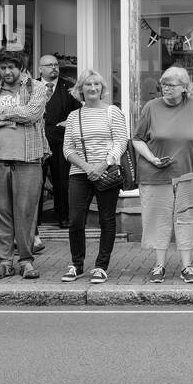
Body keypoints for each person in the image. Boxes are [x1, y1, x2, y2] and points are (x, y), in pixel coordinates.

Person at [133, 65, 193, 283]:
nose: (165, 88)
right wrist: (151, 158)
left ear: (184, 87)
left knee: (188, 218)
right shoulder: (151, 107)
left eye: (170, 85)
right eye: (163, 84)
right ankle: (159, 265)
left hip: (189, 174)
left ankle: (187, 266)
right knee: (158, 218)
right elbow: (137, 139)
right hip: (155, 174)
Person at [0, 50, 49, 281]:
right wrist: (5, 117)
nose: (7, 72)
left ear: (21, 68)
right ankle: (4, 262)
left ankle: (26, 261)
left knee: (26, 213)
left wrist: (1, 114)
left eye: (12, 68)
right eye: (3, 68)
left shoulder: (36, 88)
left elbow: (32, 114)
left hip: (28, 159)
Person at [62, 70, 129, 284]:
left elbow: (121, 142)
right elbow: (67, 148)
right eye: (88, 84)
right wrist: (86, 166)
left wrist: (102, 165)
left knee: (106, 220)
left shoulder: (112, 112)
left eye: (97, 85)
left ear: (102, 88)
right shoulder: (74, 116)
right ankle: (77, 264)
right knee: (75, 220)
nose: (92, 88)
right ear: (81, 89)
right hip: (80, 173)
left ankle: (101, 266)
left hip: (106, 171)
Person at [39, 54, 78, 229]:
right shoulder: (30, 87)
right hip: (36, 142)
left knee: (62, 181)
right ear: (40, 68)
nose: (54, 67)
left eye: (56, 64)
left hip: (61, 142)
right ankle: (35, 219)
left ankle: (63, 217)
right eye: (49, 65)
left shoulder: (69, 87)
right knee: (36, 182)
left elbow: (79, 113)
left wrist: (69, 121)